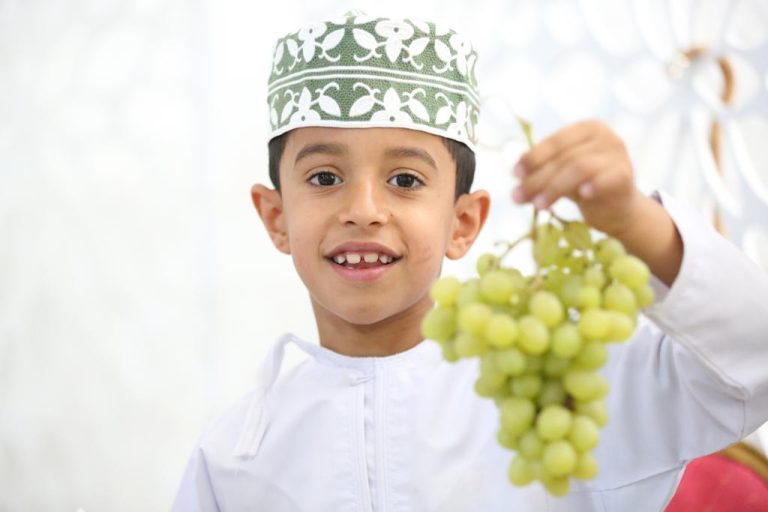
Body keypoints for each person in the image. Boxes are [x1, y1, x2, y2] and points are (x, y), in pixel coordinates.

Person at [170, 11, 768, 511]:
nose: (364, 210)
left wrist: (632, 220)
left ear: (463, 223)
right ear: (276, 217)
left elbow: (754, 358)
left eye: (405, 180)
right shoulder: (231, 458)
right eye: (325, 177)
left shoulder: (566, 391)